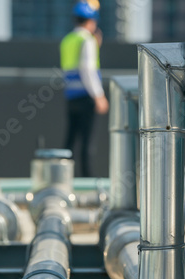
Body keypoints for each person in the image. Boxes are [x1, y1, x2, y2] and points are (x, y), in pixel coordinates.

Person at [61, 1, 109, 177]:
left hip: (71, 96)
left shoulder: (68, 40)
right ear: (91, 21)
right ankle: (87, 180)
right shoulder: (87, 40)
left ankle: (63, 176)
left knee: (70, 141)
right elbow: (88, 70)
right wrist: (99, 96)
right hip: (86, 97)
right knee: (87, 143)